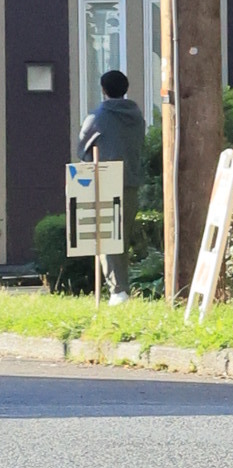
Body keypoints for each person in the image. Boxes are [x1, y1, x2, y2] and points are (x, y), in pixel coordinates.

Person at [77, 67, 148, 300]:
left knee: (105, 236)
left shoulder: (98, 117)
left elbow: (82, 149)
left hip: (105, 180)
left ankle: (118, 291)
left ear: (103, 90)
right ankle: (122, 287)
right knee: (122, 237)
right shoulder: (136, 117)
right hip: (130, 181)